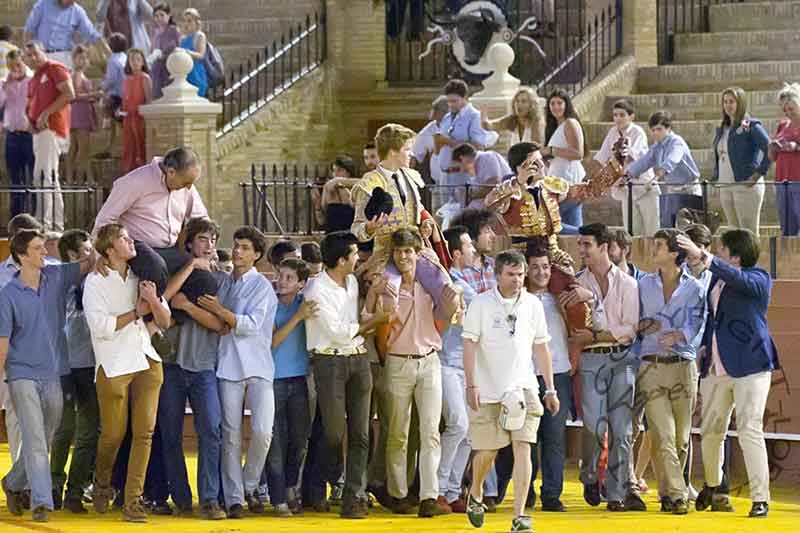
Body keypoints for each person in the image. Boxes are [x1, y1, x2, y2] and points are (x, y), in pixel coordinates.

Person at [678, 229, 779, 518]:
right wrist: (703, 347)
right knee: (710, 431)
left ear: (734, 255)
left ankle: (761, 498)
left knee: (749, 429)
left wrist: (705, 257)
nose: (717, 253)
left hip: (751, 366)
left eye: (721, 250)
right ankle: (713, 484)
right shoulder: (717, 279)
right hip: (716, 366)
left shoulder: (758, 278)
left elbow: (739, 279)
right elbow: (712, 316)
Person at [0, 228, 95, 522]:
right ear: (22, 255)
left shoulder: (55, 277)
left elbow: (85, 265)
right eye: (39, 249)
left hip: (54, 371)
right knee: (35, 436)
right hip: (21, 373)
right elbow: (3, 342)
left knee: (46, 434)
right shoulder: (7, 295)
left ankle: (13, 482)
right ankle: (42, 502)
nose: (45, 252)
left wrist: (94, 250)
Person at [462, 250, 559, 533]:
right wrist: (471, 384)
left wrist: (550, 388)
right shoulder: (480, 303)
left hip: (525, 386)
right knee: (489, 450)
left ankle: (520, 516)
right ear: (498, 275)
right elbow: (469, 344)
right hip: (489, 388)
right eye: (511, 275)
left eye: (520, 274)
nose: (517, 280)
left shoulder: (533, 304)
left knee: (524, 447)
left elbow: (541, 346)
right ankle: (476, 490)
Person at [83, 223, 169, 522]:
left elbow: (166, 320)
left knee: (144, 433)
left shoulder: (141, 276)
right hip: (113, 363)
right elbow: (101, 328)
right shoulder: (95, 282)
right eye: (123, 238)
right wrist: (137, 312)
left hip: (146, 358)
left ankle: (134, 501)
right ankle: (102, 484)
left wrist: (154, 301)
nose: (130, 241)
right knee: (113, 435)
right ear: (109, 250)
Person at [303, 231, 391, 517]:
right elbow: (339, 333)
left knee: (361, 432)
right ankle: (318, 485)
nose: (358, 259)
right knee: (333, 432)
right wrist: (376, 320)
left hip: (357, 359)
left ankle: (354, 495)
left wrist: (372, 311)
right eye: (354, 255)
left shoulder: (351, 282)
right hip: (329, 361)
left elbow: (353, 321)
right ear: (341, 260)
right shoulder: (316, 290)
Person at [561, 223, 645, 512]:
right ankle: (589, 475)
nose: (581, 249)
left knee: (622, 430)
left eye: (586, 244)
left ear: (604, 247)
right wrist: (595, 334)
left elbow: (630, 330)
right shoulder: (576, 283)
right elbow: (578, 327)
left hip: (621, 360)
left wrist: (595, 333)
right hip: (592, 360)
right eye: (580, 244)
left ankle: (616, 492)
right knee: (594, 426)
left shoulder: (628, 284)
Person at [195, 226, 278, 518]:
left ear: (257, 255)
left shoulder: (263, 287)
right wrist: (222, 313)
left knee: (262, 432)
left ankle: (249, 484)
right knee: (230, 435)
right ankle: (234, 499)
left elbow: (250, 325)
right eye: (236, 245)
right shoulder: (224, 282)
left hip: (259, 365)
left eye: (245, 247)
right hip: (228, 364)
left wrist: (220, 311)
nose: (238, 251)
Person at [376, 229, 459, 517]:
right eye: (399, 252)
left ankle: (428, 496)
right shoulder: (388, 286)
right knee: (397, 432)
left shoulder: (430, 286)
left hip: (429, 359)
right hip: (399, 360)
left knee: (430, 431)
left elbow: (443, 319)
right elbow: (381, 326)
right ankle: (398, 493)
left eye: (408, 251)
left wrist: (451, 304)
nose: (403, 257)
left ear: (417, 253)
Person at [154, 217, 227, 520]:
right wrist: (189, 268)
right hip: (171, 364)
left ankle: (209, 498)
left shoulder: (222, 278)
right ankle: (181, 497)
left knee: (211, 429)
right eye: (202, 239)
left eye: (212, 239)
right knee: (170, 433)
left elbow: (220, 324)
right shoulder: (175, 270)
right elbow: (163, 301)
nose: (208, 245)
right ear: (189, 243)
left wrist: (187, 308)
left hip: (204, 366)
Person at [633, 229, 705, 515]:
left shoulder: (695, 288)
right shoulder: (642, 286)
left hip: (683, 366)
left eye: (659, 246)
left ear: (675, 253)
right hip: (650, 364)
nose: (654, 249)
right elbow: (633, 318)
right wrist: (640, 326)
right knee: (662, 434)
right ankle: (677, 496)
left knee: (681, 438)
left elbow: (698, 323)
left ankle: (667, 492)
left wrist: (681, 335)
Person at [91, 147, 211, 316]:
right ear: (171, 172)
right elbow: (105, 219)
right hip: (137, 247)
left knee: (204, 279)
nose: (189, 187)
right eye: (186, 183)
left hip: (170, 250)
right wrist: (101, 255)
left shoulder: (186, 186)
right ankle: (148, 321)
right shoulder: (135, 181)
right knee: (155, 266)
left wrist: (209, 251)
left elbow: (202, 220)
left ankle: (168, 321)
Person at [351, 123, 454, 317]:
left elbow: (419, 210)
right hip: (385, 254)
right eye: (407, 149)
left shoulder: (411, 177)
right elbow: (357, 229)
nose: (411, 154)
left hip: (416, 251)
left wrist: (425, 224)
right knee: (388, 297)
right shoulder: (370, 184)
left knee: (448, 291)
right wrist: (370, 228)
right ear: (392, 153)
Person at [48, 230, 99, 514]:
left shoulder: (97, 281)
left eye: (92, 249)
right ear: (71, 255)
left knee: (88, 432)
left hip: (91, 364)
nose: (91, 255)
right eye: (86, 250)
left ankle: (75, 491)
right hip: (64, 364)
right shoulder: (58, 281)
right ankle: (54, 484)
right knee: (64, 429)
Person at [525, 238, 574, 512]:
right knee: (528, 437)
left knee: (555, 435)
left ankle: (552, 494)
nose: (541, 272)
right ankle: (526, 486)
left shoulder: (561, 296)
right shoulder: (520, 299)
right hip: (528, 374)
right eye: (535, 267)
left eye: (545, 267)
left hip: (559, 372)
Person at [267, 258, 316, 517]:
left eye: (289, 278)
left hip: (299, 379)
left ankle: (289, 487)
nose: (281, 282)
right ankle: (277, 498)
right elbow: (272, 341)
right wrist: (297, 317)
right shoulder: (271, 306)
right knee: (275, 441)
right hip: (273, 379)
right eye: (280, 276)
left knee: (299, 440)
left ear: (301, 284)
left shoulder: (305, 304)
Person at [436, 225, 479, 513]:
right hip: (444, 362)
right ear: (455, 253)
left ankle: (452, 491)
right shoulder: (446, 282)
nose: (473, 250)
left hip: (466, 365)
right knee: (459, 425)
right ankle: (438, 489)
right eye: (468, 246)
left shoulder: (466, 280)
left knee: (470, 432)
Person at [24, 41, 74, 231]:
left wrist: (46, 113)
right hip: (39, 132)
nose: (33, 58)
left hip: (52, 129)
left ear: (42, 52)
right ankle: (48, 221)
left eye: (35, 53)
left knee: (47, 176)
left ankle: (50, 224)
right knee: (41, 177)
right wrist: (31, 118)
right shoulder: (34, 77)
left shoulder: (55, 68)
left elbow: (69, 93)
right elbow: (31, 104)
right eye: (29, 55)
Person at [591, 98, 660, 236]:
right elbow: (602, 156)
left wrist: (623, 152)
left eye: (622, 115)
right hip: (626, 189)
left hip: (644, 186)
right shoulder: (612, 132)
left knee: (652, 230)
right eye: (615, 115)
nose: (618, 118)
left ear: (631, 116)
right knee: (632, 231)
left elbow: (634, 156)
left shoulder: (637, 132)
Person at [626, 111, 702, 228]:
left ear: (668, 128)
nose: (655, 133)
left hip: (689, 188)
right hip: (673, 189)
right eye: (653, 130)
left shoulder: (677, 142)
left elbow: (672, 160)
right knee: (672, 226)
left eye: (659, 129)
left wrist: (656, 177)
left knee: (692, 227)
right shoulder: (656, 147)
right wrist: (628, 174)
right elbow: (644, 162)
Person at [712, 87, 771, 235]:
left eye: (732, 101)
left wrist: (757, 174)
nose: (728, 105)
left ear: (741, 103)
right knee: (733, 232)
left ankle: (752, 259)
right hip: (726, 185)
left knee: (748, 233)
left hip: (745, 185)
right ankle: (737, 259)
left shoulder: (750, 125)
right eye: (725, 102)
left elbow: (770, 149)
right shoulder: (723, 127)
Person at [435, 79, 499, 207]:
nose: (451, 105)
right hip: (444, 175)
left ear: (465, 98)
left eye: (454, 101)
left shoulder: (474, 116)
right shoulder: (447, 117)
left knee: (461, 215)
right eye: (448, 101)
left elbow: (478, 145)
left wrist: (449, 141)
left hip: (462, 175)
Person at [542, 89, 587, 233]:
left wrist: (550, 150)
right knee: (572, 229)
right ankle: (583, 237)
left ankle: (588, 234)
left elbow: (577, 153)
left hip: (568, 184)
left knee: (550, 224)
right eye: (552, 103)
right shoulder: (556, 127)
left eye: (559, 103)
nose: (556, 107)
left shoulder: (570, 123)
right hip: (558, 183)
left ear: (566, 104)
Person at [23, 0, 109, 68]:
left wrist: (111, 55)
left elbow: (93, 35)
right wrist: (28, 54)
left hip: (65, 57)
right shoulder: (43, 4)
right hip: (43, 56)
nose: (73, 2)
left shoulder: (77, 11)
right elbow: (29, 30)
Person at [0, 49, 35, 218]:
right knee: (15, 179)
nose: (15, 69)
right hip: (12, 136)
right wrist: (5, 85)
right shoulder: (4, 84)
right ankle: (17, 217)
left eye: (18, 65)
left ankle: (35, 216)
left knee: (35, 178)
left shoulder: (33, 80)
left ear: (23, 62)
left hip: (30, 135)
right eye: (11, 66)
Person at [65, 45, 100, 183]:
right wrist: (94, 94)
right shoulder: (77, 75)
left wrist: (92, 97)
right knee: (83, 148)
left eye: (85, 58)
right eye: (80, 58)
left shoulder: (79, 75)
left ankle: (73, 177)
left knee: (75, 147)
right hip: (79, 114)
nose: (83, 61)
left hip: (79, 113)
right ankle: (84, 178)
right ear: (74, 59)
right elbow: (75, 95)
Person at [769, 83, 800, 236]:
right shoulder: (783, 124)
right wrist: (772, 147)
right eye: (784, 110)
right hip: (782, 182)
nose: (788, 113)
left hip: (798, 182)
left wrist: (796, 147)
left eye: (791, 109)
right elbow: (773, 157)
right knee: (787, 230)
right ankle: (790, 259)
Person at [411, 95, 449, 206]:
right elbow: (414, 155)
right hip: (437, 185)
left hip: (458, 182)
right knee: (438, 216)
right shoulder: (429, 130)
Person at [451, 143, 512, 209]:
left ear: (462, 158)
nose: (461, 171)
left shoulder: (486, 157)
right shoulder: (477, 164)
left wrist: (469, 196)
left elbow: (493, 184)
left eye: (459, 167)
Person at [122, 48, 152, 171]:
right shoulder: (126, 80)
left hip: (139, 118)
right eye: (132, 59)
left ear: (143, 62)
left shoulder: (145, 78)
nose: (135, 62)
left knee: (140, 146)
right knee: (129, 148)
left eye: (138, 59)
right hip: (128, 119)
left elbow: (149, 100)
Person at [99, 33, 128, 159]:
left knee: (113, 123)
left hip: (116, 96)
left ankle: (112, 147)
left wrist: (101, 87)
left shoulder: (113, 60)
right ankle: (114, 147)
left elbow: (111, 80)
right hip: (126, 95)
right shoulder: (125, 58)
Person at [149, 3, 181, 98]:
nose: (159, 18)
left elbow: (180, 49)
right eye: (156, 16)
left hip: (170, 70)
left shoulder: (174, 30)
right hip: (157, 70)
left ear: (169, 15)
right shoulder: (156, 32)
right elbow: (153, 50)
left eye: (162, 15)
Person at [179, 8, 208, 97]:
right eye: (185, 21)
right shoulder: (182, 38)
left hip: (196, 73)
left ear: (196, 22)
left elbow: (201, 55)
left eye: (189, 21)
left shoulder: (199, 36)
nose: (186, 24)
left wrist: (187, 52)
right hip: (184, 75)